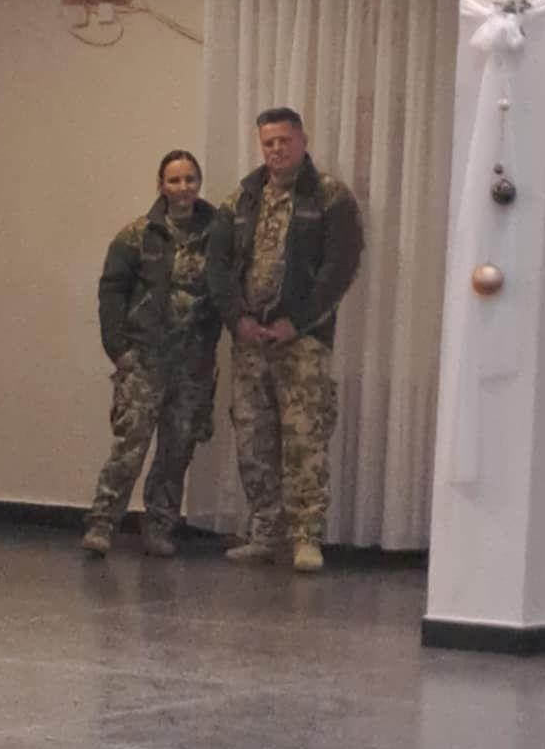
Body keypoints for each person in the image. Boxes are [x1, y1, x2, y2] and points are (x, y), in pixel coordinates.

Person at [206, 107, 364, 573]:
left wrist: (297, 321)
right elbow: (217, 267)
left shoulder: (330, 197)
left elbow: (339, 269)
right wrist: (237, 319)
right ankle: (264, 533)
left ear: (302, 140)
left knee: (304, 437)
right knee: (252, 438)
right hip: (249, 341)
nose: (276, 149)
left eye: (284, 141)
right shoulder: (242, 199)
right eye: (269, 142)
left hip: (302, 340)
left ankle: (306, 538)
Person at [82, 150, 221, 558]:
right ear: (161, 185)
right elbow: (111, 293)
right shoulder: (136, 236)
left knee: (177, 450)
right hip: (145, 358)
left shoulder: (218, 234)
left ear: (199, 183)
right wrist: (117, 349)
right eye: (174, 180)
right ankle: (102, 523)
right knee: (131, 446)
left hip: (193, 362)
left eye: (190, 179)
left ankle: (159, 526)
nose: (183, 188)